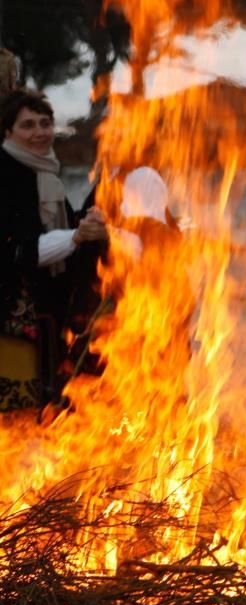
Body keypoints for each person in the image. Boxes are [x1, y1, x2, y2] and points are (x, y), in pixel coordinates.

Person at [0, 89, 108, 412]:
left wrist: (89, 223)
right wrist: (77, 236)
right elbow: (18, 249)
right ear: (7, 132)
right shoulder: (6, 176)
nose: (39, 132)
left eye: (45, 123)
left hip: (46, 315)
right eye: (28, 125)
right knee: (15, 416)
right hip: (11, 319)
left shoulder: (45, 174)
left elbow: (60, 227)